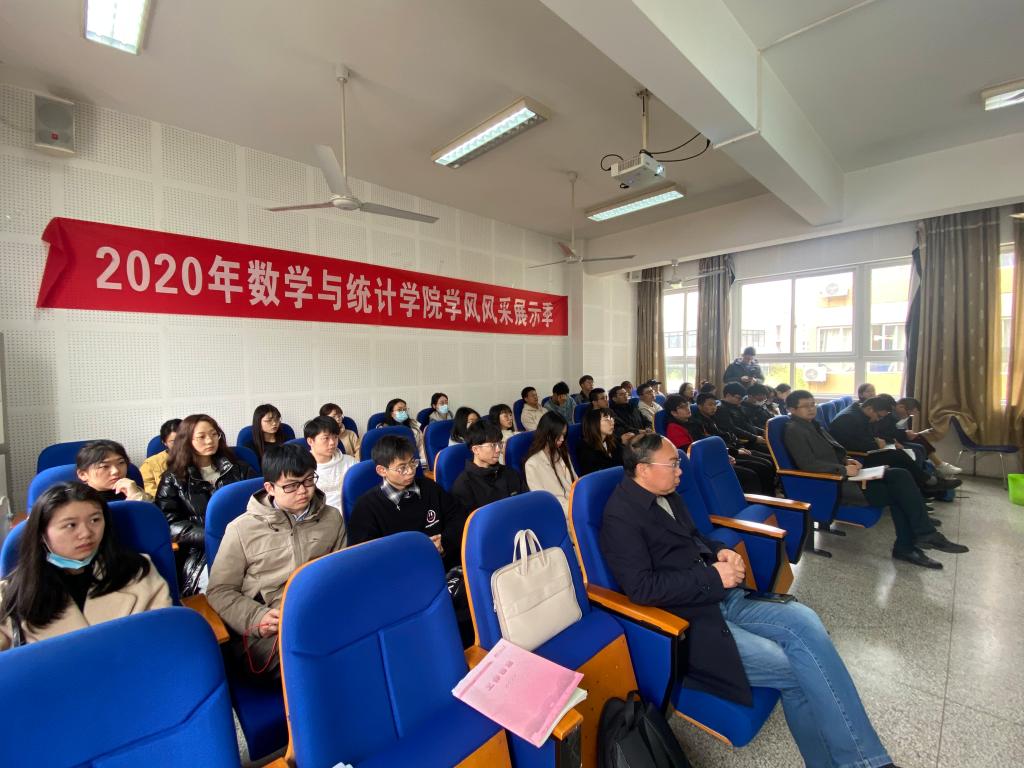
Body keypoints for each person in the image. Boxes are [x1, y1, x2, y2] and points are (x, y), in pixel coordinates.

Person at [599, 435, 897, 768]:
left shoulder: (668, 494)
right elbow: (641, 588)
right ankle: (860, 761)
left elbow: (695, 538)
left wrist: (720, 552)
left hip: (725, 598)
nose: (680, 471)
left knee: (806, 621)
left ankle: (856, 760)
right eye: (673, 464)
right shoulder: (620, 517)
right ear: (643, 469)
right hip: (691, 622)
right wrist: (712, 577)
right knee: (797, 668)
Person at [783, 390, 968, 568]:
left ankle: (921, 535)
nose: (811, 409)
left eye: (813, 404)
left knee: (899, 474)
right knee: (899, 493)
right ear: (791, 409)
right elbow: (808, 464)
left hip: (844, 475)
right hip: (832, 484)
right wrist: (843, 469)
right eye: (805, 406)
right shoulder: (794, 430)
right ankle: (912, 543)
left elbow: (834, 450)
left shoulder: (813, 425)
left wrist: (847, 459)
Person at [207, 444, 346, 679]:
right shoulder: (242, 529)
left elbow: (340, 574)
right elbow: (219, 590)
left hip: (322, 615)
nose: (302, 491)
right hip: (270, 629)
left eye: (308, 480)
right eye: (291, 485)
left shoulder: (331, 518)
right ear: (270, 488)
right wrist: (256, 616)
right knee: (323, 660)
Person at [0, 482, 172, 650]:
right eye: (71, 525)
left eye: (95, 520)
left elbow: (166, 636)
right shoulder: (11, 594)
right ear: (41, 534)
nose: (86, 533)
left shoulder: (137, 571)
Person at [155, 414, 256, 596]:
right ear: (186, 440)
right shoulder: (173, 478)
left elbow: (261, 503)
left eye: (214, 434)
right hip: (202, 551)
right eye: (201, 437)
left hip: (249, 542)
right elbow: (169, 523)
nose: (210, 440)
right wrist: (212, 536)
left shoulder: (240, 469)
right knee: (227, 591)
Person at [348, 435, 465, 572]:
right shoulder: (366, 507)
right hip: (402, 573)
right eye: (402, 468)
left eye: (412, 463)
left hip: (445, 563)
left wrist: (444, 542)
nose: (410, 471)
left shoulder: (430, 487)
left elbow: (458, 517)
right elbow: (365, 556)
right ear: (382, 470)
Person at [828, 398, 960, 494]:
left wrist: (877, 441)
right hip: (857, 458)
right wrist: (876, 443)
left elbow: (864, 436)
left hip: (865, 452)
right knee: (899, 457)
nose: (878, 420)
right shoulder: (848, 419)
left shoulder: (860, 414)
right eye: (878, 416)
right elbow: (849, 445)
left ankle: (926, 485)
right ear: (870, 409)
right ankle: (928, 484)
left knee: (902, 456)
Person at [665, 394, 762, 495]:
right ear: (673, 413)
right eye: (682, 407)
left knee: (759, 466)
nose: (687, 408)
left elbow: (710, 443)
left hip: (716, 456)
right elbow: (692, 453)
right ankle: (749, 501)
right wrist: (724, 456)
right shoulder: (674, 429)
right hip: (703, 464)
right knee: (751, 474)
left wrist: (727, 453)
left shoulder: (693, 422)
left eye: (687, 404)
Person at [689, 393, 777, 495]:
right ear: (700, 406)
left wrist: (740, 447)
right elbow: (714, 445)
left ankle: (770, 496)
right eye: (710, 404)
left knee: (767, 462)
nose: (714, 407)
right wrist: (736, 451)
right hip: (726, 454)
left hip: (734, 448)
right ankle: (762, 499)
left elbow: (729, 435)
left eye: (714, 404)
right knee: (758, 468)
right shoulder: (698, 424)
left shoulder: (714, 418)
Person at [451, 420, 528, 512]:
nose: (498, 449)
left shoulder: (510, 473)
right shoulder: (464, 486)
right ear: (476, 450)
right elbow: (471, 520)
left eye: (499, 444)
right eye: (493, 445)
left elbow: (526, 503)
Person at [523, 412, 576, 517]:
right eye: (559, 435)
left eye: (564, 435)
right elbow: (543, 502)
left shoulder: (562, 453)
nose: (562, 439)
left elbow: (575, 482)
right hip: (559, 514)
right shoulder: (532, 464)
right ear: (547, 434)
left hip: (574, 507)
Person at [895, 397, 961, 477]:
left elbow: (895, 431)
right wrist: (903, 435)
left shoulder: (897, 416)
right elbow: (888, 432)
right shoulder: (890, 415)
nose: (907, 417)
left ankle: (937, 467)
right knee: (918, 444)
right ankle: (939, 465)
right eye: (909, 414)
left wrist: (906, 433)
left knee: (919, 439)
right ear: (901, 406)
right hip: (891, 441)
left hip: (896, 438)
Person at [304, 416, 357, 512]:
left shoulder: (350, 462)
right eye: (326, 438)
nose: (332, 442)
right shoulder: (302, 469)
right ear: (310, 441)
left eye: (335, 437)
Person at [75, 440, 150, 503]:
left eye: (121, 463)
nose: (115, 471)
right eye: (105, 466)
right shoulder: (79, 503)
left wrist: (136, 496)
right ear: (83, 474)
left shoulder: (133, 490)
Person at [714, 382, 767, 447]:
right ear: (728, 395)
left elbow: (747, 424)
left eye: (742, 398)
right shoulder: (720, 409)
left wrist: (762, 432)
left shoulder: (737, 406)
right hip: (740, 444)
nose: (741, 401)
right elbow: (731, 429)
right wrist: (754, 438)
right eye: (739, 398)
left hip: (752, 439)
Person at [140, 419, 181, 498]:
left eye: (183, 439)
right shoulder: (150, 464)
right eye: (173, 441)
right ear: (164, 442)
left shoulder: (199, 458)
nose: (180, 444)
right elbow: (149, 493)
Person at [578, 407, 623, 475]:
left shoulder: (612, 440)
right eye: (606, 419)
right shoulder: (586, 448)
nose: (612, 422)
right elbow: (599, 474)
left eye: (611, 418)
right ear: (594, 423)